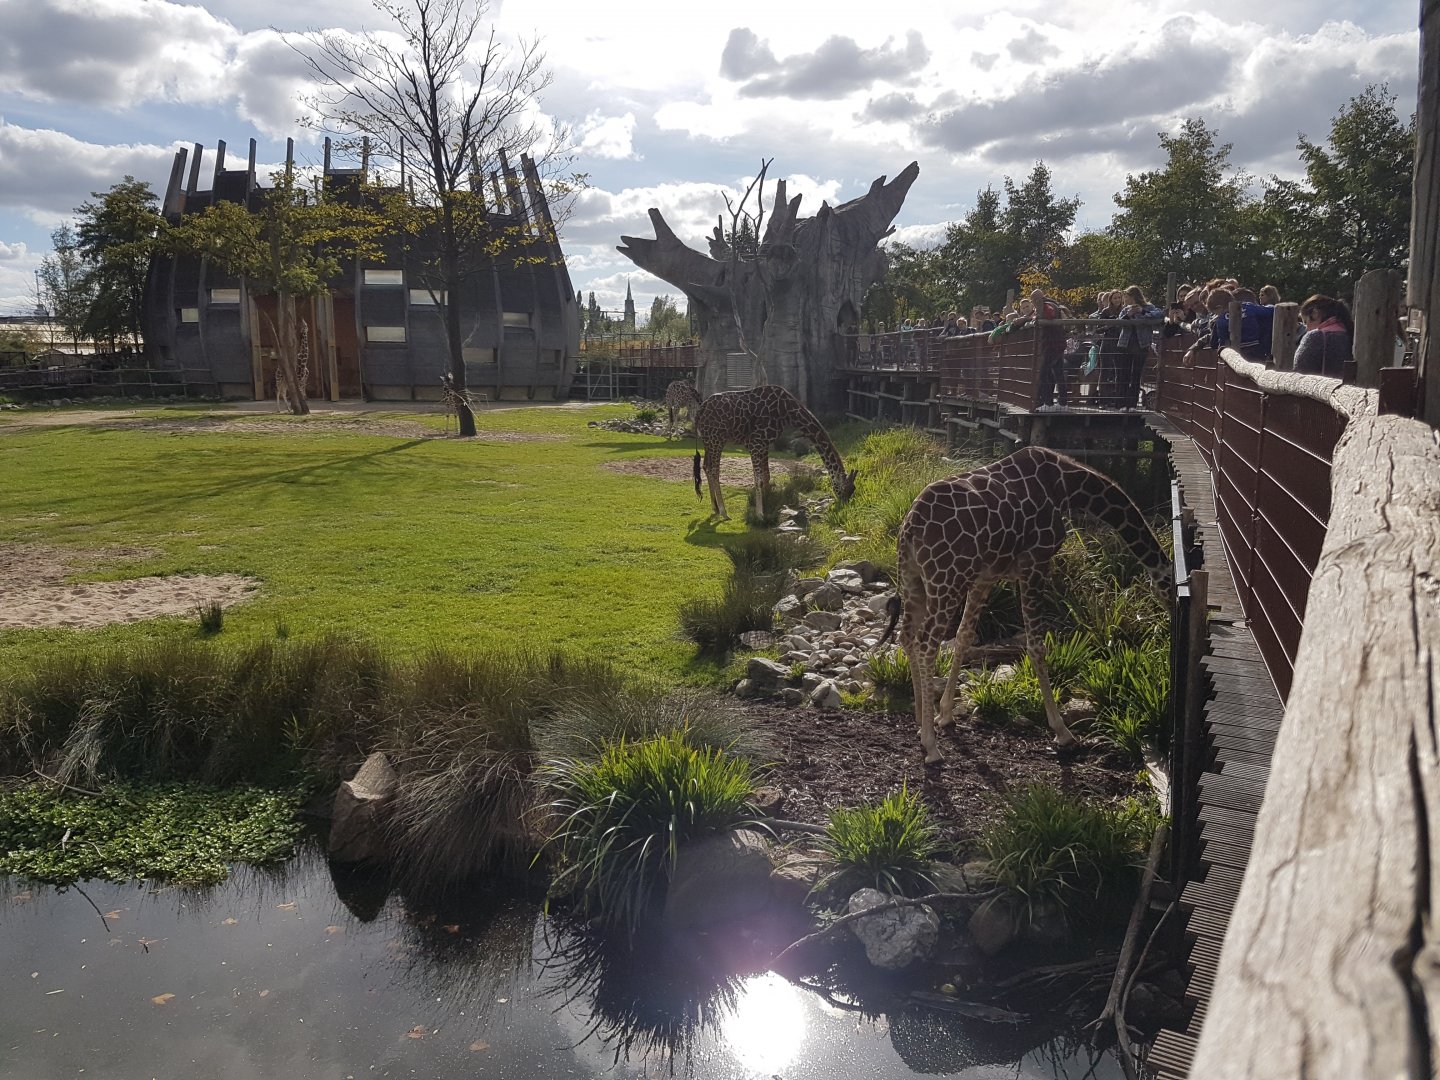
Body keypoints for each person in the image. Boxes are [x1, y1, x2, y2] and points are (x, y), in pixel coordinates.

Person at [1115, 286, 1161, 408]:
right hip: (1125, 344)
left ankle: (1132, 403)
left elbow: (1159, 315)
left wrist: (1142, 312)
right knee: (1124, 374)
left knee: (1136, 375)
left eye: (1126, 296)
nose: (1124, 299)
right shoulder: (1125, 309)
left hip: (1141, 345)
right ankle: (1121, 403)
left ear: (1133, 297)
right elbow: (1118, 323)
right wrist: (1128, 316)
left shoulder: (1148, 307)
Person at [1294, 294, 1353, 377]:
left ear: (1315, 313)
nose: (1307, 329)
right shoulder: (1350, 333)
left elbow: (1299, 372)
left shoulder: (1315, 337)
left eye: (1306, 322)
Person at [1028, 288, 1068, 410]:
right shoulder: (1052, 304)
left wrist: (1036, 319)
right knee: (1058, 373)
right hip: (1057, 343)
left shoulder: (1046, 306)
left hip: (1052, 345)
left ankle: (1048, 402)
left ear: (1037, 299)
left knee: (1043, 373)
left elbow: (1049, 315)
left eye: (1034, 300)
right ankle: (1062, 403)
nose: (1033, 302)